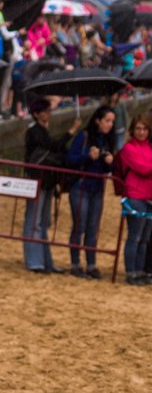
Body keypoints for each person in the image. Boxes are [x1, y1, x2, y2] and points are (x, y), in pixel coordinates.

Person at [22, 98, 81, 273]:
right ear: (36, 114)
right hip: (37, 180)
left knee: (43, 221)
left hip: (46, 181)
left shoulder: (42, 131)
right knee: (34, 221)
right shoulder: (34, 132)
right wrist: (71, 131)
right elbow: (53, 146)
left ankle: (44, 260)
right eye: (45, 111)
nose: (49, 114)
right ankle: (35, 261)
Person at [65, 105, 116, 279]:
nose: (110, 125)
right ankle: (75, 263)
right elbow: (70, 159)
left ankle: (91, 264)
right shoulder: (84, 136)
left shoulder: (108, 141)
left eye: (112, 121)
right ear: (97, 120)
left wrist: (110, 162)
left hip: (98, 189)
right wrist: (88, 156)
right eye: (107, 120)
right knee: (79, 226)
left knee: (93, 228)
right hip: (81, 187)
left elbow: (110, 168)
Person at [116, 113, 152, 285]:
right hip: (135, 195)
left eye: (144, 129)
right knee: (135, 236)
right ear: (132, 130)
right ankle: (131, 272)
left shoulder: (149, 147)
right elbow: (143, 169)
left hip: (149, 196)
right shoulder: (128, 149)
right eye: (138, 128)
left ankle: (140, 271)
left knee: (145, 238)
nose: (141, 132)